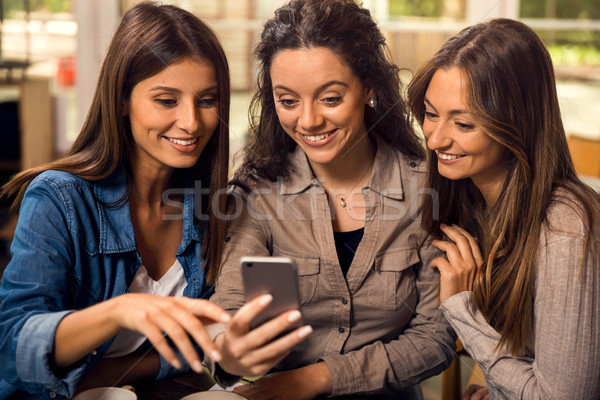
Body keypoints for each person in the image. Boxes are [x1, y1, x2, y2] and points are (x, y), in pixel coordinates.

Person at [0, 3, 293, 399]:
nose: (191, 122)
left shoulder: (214, 208)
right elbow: (14, 351)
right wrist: (117, 312)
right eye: (167, 100)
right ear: (122, 100)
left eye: (207, 100)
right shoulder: (58, 199)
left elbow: (207, 345)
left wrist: (227, 353)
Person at [206, 1, 457, 399]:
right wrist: (229, 351)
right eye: (288, 101)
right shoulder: (256, 191)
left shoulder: (428, 189)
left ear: (369, 87)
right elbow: (229, 308)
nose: (308, 121)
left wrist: (309, 380)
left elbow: (434, 340)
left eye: (330, 98)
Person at [407, 18, 600, 399]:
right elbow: (520, 344)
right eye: (431, 114)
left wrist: (462, 308)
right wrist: (489, 384)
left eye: (463, 123)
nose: (435, 139)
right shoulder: (474, 199)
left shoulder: (565, 227)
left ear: (518, 123)